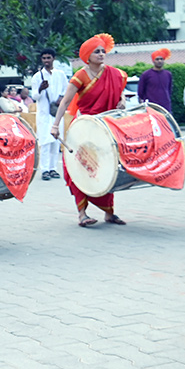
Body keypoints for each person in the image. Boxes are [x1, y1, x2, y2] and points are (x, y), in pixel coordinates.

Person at [51, 34, 129, 227]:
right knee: (80, 167)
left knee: (107, 168)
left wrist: (122, 102)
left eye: (103, 51)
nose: (102, 54)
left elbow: (121, 97)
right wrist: (55, 125)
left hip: (106, 127)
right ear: (87, 55)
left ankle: (109, 213)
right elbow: (66, 102)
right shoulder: (80, 76)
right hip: (85, 128)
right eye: (97, 51)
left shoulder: (114, 73)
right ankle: (82, 214)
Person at [31, 49, 67, 181]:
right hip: (44, 114)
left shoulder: (60, 74)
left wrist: (61, 98)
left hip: (56, 112)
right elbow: (34, 95)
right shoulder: (37, 76)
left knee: (55, 141)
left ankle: (53, 169)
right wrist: (40, 88)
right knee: (45, 142)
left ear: (53, 58)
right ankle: (45, 169)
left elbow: (66, 89)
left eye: (48, 58)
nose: (46, 60)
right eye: (44, 58)